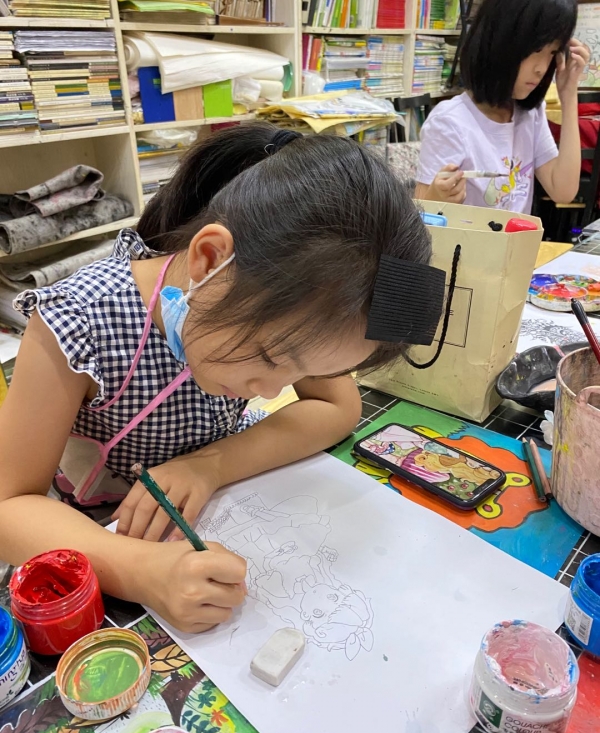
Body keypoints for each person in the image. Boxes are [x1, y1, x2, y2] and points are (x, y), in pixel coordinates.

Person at [0, 123, 445, 632]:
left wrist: (208, 466)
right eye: (269, 356)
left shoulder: (292, 313)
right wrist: (139, 571)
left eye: (305, 372)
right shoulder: (78, 320)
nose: (273, 391)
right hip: (84, 532)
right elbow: (10, 505)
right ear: (210, 259)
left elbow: (337, 407)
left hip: (198, 511)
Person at [415, 0, 589, 214]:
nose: (542, 68)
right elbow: (420, 219)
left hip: (520, 237)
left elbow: (563, 191)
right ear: (501, 42)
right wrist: (435, 199)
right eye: (536, 49)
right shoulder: (449, 122)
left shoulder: (530, 114)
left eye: (552, 53)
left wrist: (569, 95)